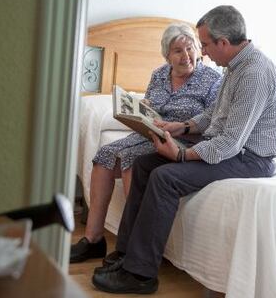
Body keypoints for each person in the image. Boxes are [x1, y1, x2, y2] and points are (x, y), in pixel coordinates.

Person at [91, 5, 276, 294]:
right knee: (144, 164)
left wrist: (181, 155)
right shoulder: (234, 67)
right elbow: (212, 116)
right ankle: (127, 253)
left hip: (249, 158)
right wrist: (181, 127)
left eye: (204, 45)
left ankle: (140, 274)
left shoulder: (254, 74)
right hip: (229, 148)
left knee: (165, 177)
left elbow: (230, 143)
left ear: (223, 42)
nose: (202, 53)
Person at [70, 23, 222, 263]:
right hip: (148, 133)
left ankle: (132, 248)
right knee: (104, 157)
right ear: (167, 56)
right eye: (178, 51)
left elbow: (213, 120)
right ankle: (93, 240)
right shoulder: (159, 74)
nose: (186, 56)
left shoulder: (212, 79)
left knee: (134, 162)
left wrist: (181, 127)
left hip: (182, 139)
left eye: (190, 48)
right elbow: (151, 104)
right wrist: (144, 111)